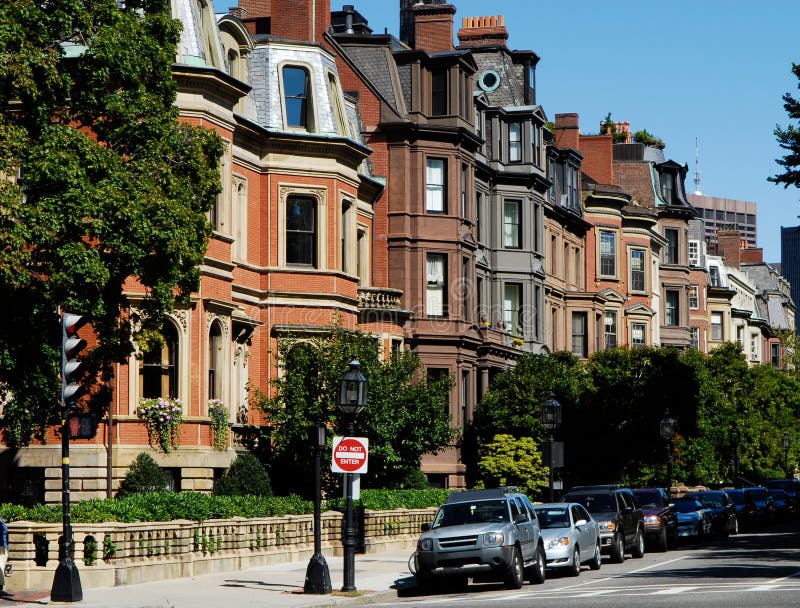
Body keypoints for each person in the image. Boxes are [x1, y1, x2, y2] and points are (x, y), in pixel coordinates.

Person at [0, 515, 7, 595]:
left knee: (1, 566)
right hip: (1, 546)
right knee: (0, 567)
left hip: (3, 546)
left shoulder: (1, 519)